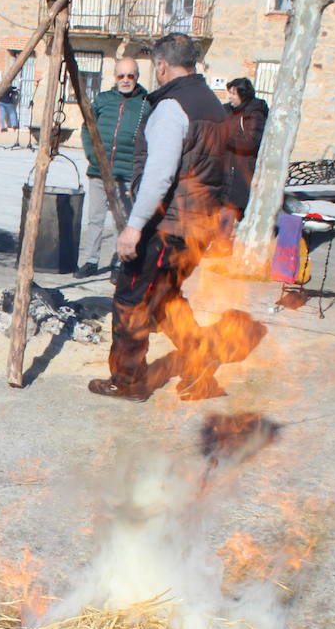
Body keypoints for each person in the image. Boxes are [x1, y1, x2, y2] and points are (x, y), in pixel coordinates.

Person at [88, 33, 229, 402]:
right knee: (166, 300)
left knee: (131, 302)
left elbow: (160, 174)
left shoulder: (172, 107)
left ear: (162, 66)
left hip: (168, 228)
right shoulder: (214, 105)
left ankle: (129, 381)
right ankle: (202, 367)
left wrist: (134, 228)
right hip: (199, 227)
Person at [76, 57, 151, 278]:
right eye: (121, 76)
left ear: (137, 77)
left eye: (130, 76)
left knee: (124, 220)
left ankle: (120, 263)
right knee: (95, 218)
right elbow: (87, 128)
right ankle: (91, 260)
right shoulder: (103, 100)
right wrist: (93, 155)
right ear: (115, 77)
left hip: (126, 172)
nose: (126, 80)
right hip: (100, 171)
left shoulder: (146, 104)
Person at [221, 77, 268, 229]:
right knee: (224, 206)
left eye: (233, 94)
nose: (230, 97)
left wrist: (224, 136)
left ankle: (226, 244)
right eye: (229, 93)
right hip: (226, 166)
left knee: (233, 207)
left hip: (243, 169)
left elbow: (250, 141)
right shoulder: (228, 110)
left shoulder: (255, 112)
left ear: (243, 94)